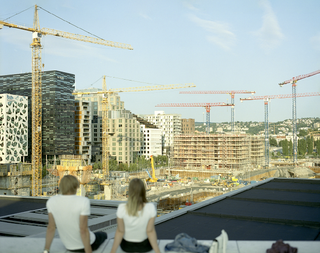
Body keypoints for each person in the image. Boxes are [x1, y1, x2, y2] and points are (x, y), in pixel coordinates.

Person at [43, 175, 107, 253]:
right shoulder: (83, 201)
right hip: (88, 244)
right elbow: (83, 230)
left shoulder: (52, 201)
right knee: (103, 234)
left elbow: (51, 228)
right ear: (76, 186)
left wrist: (46, 250)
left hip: (69, 246)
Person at [110, 178, 161, 253]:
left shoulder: (121, 208)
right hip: (144, 246)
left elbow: (120, 231)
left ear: (129, 191)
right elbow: (150, 231)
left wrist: (112, 251)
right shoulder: (150, 207)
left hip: (127, 247)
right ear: (143, 191)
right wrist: (157, 251)